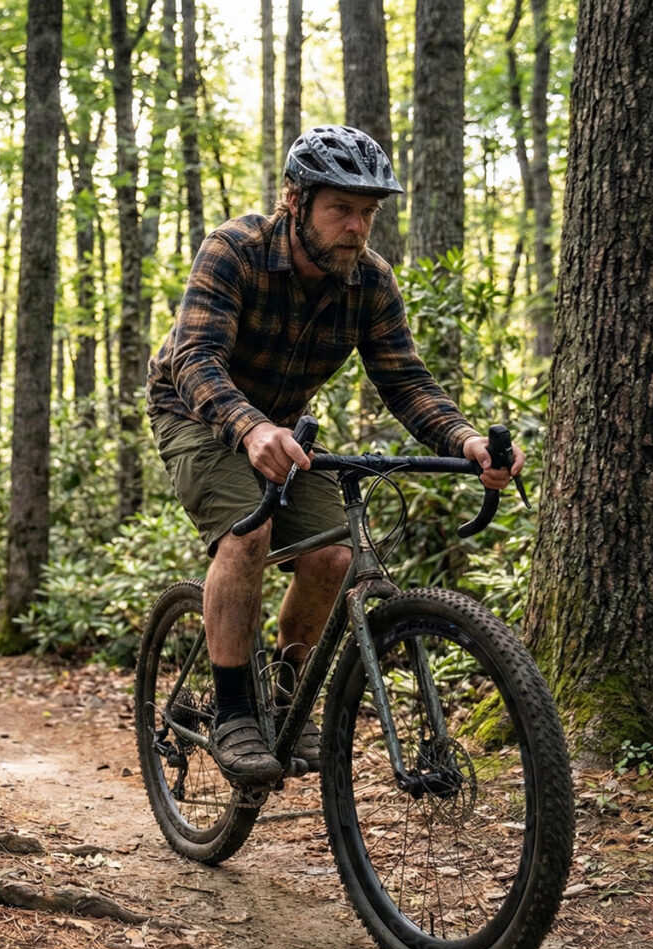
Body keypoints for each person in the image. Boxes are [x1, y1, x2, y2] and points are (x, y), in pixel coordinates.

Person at [145, 124, 524, 785]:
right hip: (194, 410)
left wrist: (463, 440)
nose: (357, 226)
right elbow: (196, 358)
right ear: (296, 201)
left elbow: (405, 380)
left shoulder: (370, 283)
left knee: (335, 554)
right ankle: (234, 712)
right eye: (341, 209)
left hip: (283, 426)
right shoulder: (233, 250)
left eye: (368, 213)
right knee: (250, 527)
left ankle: (290, 697)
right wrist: (248, 426)